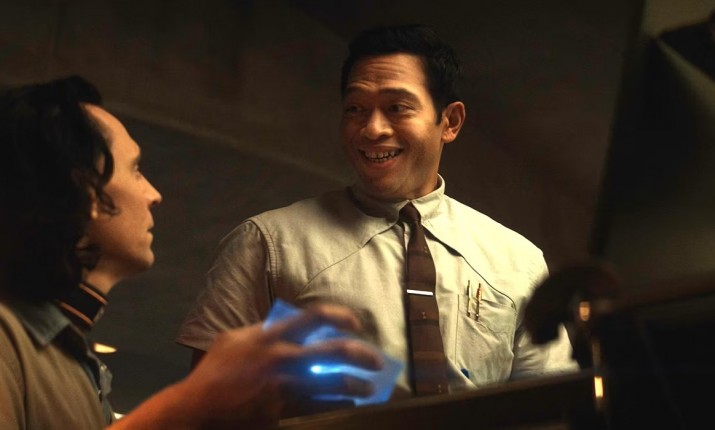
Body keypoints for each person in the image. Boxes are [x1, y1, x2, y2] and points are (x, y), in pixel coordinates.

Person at [176, 24, 577, 406]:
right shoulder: (266, 244)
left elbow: (548, 408)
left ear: (449, 122)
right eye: (355, 108)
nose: (372, 129)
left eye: (396, 107)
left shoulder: (518, 261)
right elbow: (206, 405)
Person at [0, 76, 384, 429]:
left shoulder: (71, 358)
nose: (153, 194)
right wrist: (188, 404)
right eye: (135, 170)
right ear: (87, 192)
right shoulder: (7, 339)